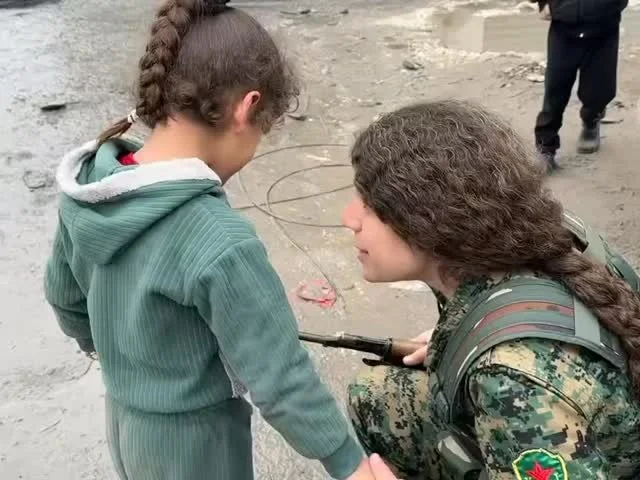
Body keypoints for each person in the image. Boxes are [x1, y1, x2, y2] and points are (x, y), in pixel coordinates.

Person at [43, 1, 376, 479]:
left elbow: (64, 298)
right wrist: (349, 462)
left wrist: (119, 356)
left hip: (125, 424)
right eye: (262, 131)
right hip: (197, 445)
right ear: (247, 108)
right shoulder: (219, 241)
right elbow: (280, 376)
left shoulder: (92, 186)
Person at [341, 100, 640, 479]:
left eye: (370, 206)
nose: (349, 219)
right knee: (377, 395)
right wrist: (459, 338)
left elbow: (532, 377)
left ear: (429, 222)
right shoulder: (545, 234)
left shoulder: (514, 382)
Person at [532, 0, 627, 171]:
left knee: (599, 91)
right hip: (563, 25)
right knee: (555, 89)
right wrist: (543, 2)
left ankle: (591, 120)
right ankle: (545, 148)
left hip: (604, 27)